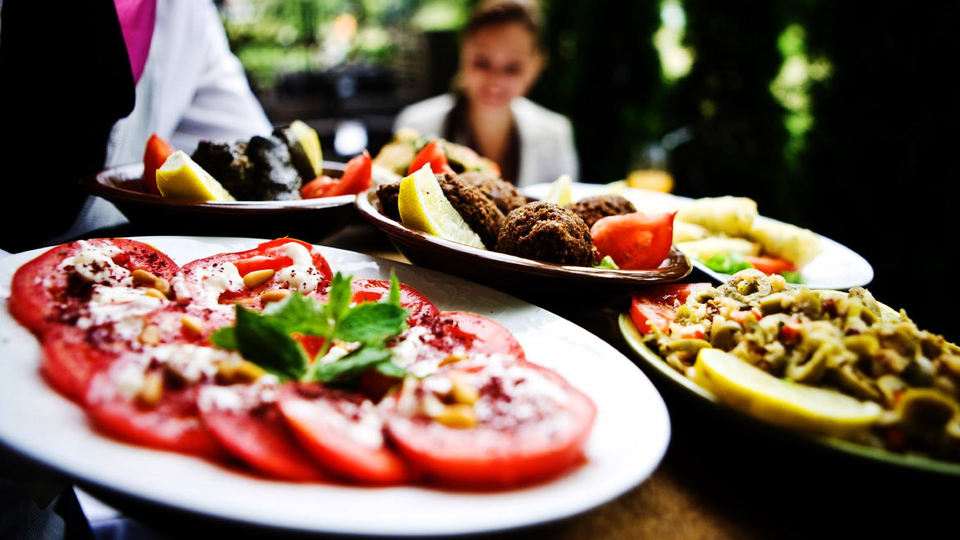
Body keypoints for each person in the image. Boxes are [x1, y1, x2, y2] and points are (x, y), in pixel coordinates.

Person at [393, 0, 577, 187]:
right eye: (482, 63)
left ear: (536, 66)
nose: (495, 80)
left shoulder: (555, 135)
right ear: (463, 52)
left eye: (512, 68)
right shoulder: (415, 126)